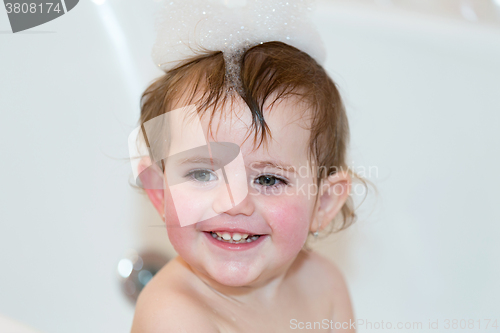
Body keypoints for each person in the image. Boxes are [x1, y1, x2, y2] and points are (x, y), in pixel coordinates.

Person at [129, 2, 365, 332]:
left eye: (268, 178)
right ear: (159, 193)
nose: (234, 203)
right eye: (202, 173)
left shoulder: (324, 283)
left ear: (322, 203)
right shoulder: (172, 315)